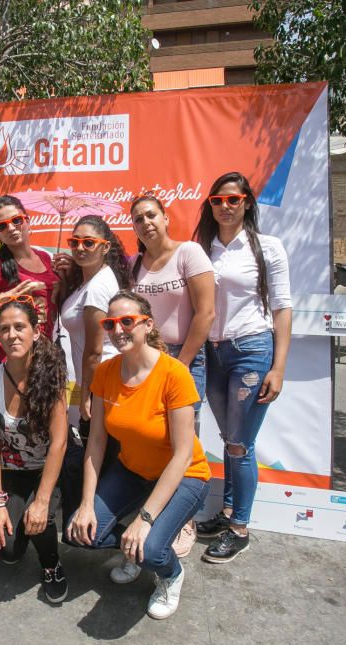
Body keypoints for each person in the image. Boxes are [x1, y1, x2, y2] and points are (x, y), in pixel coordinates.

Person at [67, 291, 211, 620]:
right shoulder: (105, 372)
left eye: (127, 321)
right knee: (80, 532)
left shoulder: (174, 374)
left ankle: (169, 573)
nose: (118, 329)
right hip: (133, 471)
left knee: (152, 548)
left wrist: (143, 520)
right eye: (110, 323)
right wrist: (87, 504)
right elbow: (97, 442)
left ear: (147, 325)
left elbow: (183, 456)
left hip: (185, 476)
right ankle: (135, 550)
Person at [192, 172, 292, 564]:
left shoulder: (268, 248)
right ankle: (229, 511)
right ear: (211, 205)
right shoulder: (202, 248)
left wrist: (279, 367)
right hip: (212, 354)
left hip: (251, 350)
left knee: (240, 443)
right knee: (229, 436)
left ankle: (240, 529)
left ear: (248, 202)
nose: (226, 206)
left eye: (234, 199)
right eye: (218, 200)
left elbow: (282, 308)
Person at [129, 193, 216, 556]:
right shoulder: (135, 263)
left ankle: (185, 520)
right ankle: (152, 513)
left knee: (185, 445)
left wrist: (182, 363)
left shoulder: (189, 253)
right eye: (138, 218)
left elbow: (205, 314)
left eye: (151, 215)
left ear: (165, 217)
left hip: (183, 357)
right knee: (153, 439)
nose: (146, 222)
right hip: (146, 359)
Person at [0, 298, 70, 603]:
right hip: (12, 472)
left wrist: (43, 501)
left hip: (48, 469)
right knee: (8, 551)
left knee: (38, 520)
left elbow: (59, 441)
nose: (12, 334)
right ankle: (20, 528)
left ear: (35, 332)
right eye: (4, 329)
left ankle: (51, 564)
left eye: (20, 327)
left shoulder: (51, 375)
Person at [56, 215, 130, 528]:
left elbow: (95, 349)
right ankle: (97, 519)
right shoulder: (89, 279)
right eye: (75, 242)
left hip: (103, 379)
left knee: (102, 453)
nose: (81, 247)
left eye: (89, 242)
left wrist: (86, 394)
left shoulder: (99, 285)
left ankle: (106, 523)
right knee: (98, 451)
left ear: (105, 246)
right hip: (99, 379)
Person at [0, 195, 60, 365]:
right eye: (2, 226)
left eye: (16, 220)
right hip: (10, 362)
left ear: (27, 221)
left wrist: (65, 279)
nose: (11, 228)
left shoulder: (46, 258)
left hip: (44, 357)